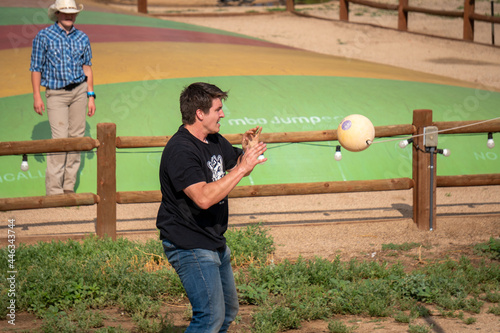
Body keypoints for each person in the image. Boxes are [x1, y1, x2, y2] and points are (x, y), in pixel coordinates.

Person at [156, 82, 267, 332]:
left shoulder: (213, 140)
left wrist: (246, 153)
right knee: (209, 317)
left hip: (213, 240)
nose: (223, 114)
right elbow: (204, 198)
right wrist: (241, 169)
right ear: (199, 113)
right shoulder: (181, 150)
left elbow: (233, 162)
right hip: (189, 243)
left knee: (227, 312)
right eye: (218, 109)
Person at [30, 0, 96, 195]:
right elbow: (36, 68)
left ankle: (69, 187)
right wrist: (37, 96)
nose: (69, 15)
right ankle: (54, 191)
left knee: (76, 138)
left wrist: (90, 95)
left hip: (79, 91)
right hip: (55, 93)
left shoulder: (82, 37)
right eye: (65, 12)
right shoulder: (43, 36)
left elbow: (87, 67)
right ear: (57, 13)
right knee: (59, 140)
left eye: (73, 12)